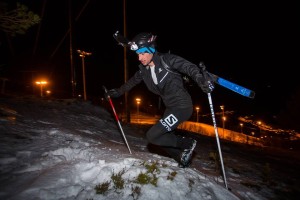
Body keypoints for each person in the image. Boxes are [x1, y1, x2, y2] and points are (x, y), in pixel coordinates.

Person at [105, 32, 215, 168]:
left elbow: (188, 67)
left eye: (142, 54)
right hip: (169, 108)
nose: (139, 58)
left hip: (182, 106)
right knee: (160, 139)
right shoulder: (144, 71)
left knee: (152, 135)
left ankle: (187, 144)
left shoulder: (166, 60)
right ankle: (181, 158)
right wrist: (117, 92)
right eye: (138, 54)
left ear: (151, 50)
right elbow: (131, 82)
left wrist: (200, 79)